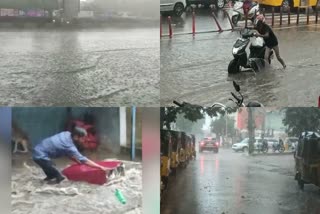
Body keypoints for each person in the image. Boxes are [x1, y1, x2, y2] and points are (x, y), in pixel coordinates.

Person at [33, 126, 110, 184]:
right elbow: (83, 159)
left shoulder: (67, 134)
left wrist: (78, 162)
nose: (84, 141)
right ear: (76, 137)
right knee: (62, 179)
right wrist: (101, 167)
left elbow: (69, 154)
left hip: (38, 152)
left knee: (51, 177)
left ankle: (41, 185)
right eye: (82, 138)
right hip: (41, 156)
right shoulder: (69, 146)